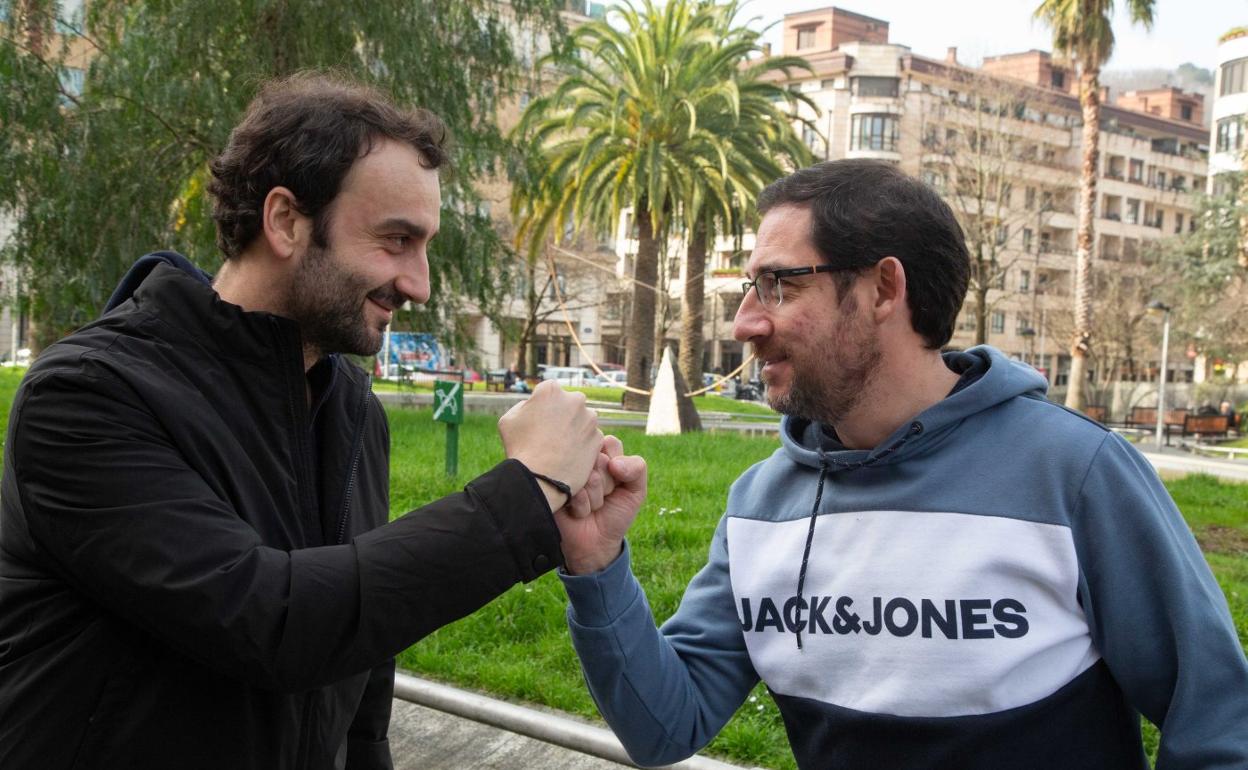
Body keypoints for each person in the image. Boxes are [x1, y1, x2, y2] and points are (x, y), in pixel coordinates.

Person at [0, 74, 608, 769]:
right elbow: (272, 621)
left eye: (425, 245)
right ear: (285, 220)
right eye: (396, 240)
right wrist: (522, 494)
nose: (420, 283)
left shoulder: (352, 409)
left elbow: (363, 682)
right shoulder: (87, 396)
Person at [554, 160, 1248, 769]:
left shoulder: (1076, 472)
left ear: (885, 288)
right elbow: (664, 727)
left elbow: (1219, 721)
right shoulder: (760, 503)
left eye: (779, 286)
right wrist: (596, 565)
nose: (744, 323)